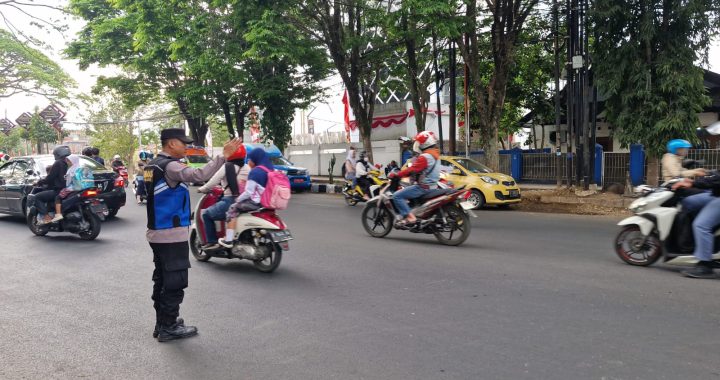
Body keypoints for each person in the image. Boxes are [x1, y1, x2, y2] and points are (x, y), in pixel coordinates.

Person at [143, 128, 242, 342]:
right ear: (171, 144)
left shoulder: (152, 165)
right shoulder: (170, 166)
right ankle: (168, 327)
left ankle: (162, 323)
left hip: (157, 231)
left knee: (161, 279)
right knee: (175, 280)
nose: (186, 146)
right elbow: (199, 175)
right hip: (170, 232)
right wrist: (223, 156)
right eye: (183, 143)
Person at [218, 147, 274, 248]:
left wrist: (237, 199)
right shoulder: (270, 170)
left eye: (250, 159)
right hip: (268, 202)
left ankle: (229, 239)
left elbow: (248, 192)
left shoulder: (255, 172)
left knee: (232, 209)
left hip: (256, 202)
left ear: (255, 159)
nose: (249, 161)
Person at [198, 144, 250, 251]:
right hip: (246, 201)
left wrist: (202, 189)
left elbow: (212, 182)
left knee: (207, 214)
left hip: (230, 200)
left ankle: (211, 241)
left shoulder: (227, 166)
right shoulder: (247, 168)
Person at [388, 131, 441, 224]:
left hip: (423, 187)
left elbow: (411, 169)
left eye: (419, 143)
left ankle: (410, 216)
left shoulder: (424, 157)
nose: (417, 145)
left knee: (397, 196)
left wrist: (397, 174)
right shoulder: (436, 155)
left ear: (425, 144)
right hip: (433, 186)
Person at [35, 146, 71, 224]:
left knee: (37, 197)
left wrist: (41, 182)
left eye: (55, 154)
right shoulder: (71, 162)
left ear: (58, 154)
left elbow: (50, 178)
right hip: (72, 189)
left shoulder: (58, 163)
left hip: (60, 190)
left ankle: (47, 217)